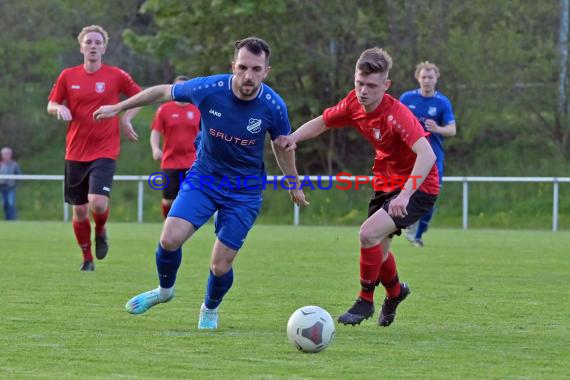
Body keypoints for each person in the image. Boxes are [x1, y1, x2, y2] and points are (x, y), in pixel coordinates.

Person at [94, 37, 308, 330]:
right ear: (233, 66)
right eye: (242, 67)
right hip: (205, 179)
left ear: (266, 71)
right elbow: (161, 92)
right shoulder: (209, 88)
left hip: (244, 191)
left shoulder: (273, 106)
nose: (248, 76)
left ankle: (209, 309)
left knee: (220, 265)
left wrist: (293, 183)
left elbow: (282, 145)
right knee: (169, 239)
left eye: (256, 69)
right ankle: (164, 291)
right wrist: (119, 107)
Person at [277, 48, 439, 327]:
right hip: (386, 182)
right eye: (359, 83)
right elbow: (323, 122)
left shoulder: (397, 115)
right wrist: (294, 137)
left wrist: (406, 194)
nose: (363, 91)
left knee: (367, 234)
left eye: (372, 86)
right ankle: (396, 293)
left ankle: (365, 300)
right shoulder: (354, 103)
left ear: (386, 86)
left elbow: (427, 155)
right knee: (379, 250)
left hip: (419, 186)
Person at [47, 25, 142, 271]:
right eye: (88, 42)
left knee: (97, 203)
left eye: (97, 42)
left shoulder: (116, 75)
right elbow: (51, 103)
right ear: (81, 47)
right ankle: (87, 258)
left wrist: (125, 117)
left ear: (104, 47)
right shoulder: (68, 75)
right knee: (79, 211)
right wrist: (59, 109)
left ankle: (100, 230)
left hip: (105, 149)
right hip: (75, 151)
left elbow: (139, 96)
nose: (93, 46)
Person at [400, 61, 456, 247]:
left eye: (430, 77)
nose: (426, 80)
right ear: (418, 78)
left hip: (434, 158)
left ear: (436, 78)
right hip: (409, 157)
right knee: (405, 190)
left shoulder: (442, 102)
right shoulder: (406, 99)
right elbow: (394, 121)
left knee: (431, 197)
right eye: (423, 77)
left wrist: (438, 128)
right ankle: (405, 224)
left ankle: (418, 233)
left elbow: (452, 130)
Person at [150, 75, 201, 218]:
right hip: (170, 161)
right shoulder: (164, 109)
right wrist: (155, 149)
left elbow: (207, 134)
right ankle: (168, 225)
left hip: (193, 162)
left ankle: (182, 229)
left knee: (188, 200)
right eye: (178, 87)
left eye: (184, 87)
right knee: (168, 201)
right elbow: (155, 131)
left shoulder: (197, 109)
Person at [0, 147, 21, 220]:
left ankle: (13, 219)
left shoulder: (14, 165)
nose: (5, 155)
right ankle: (7, 219)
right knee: (5, 204)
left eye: (7, 154)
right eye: (4, 154)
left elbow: (19, 176)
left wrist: (17, 185)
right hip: (2, 187)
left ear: (10, 155)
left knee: (11, 203)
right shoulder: (1, 164)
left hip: (10, 187)